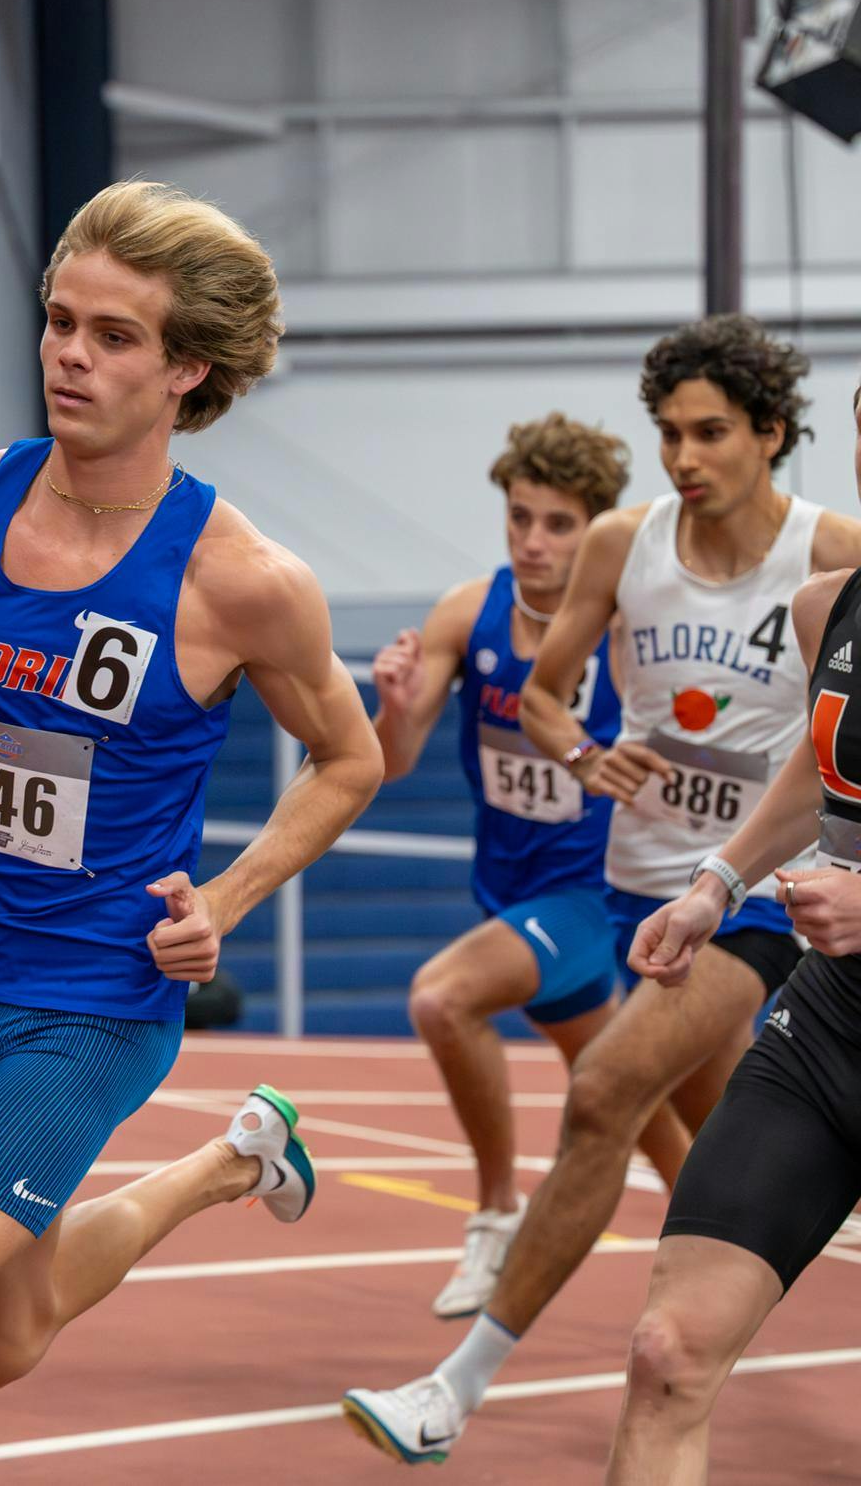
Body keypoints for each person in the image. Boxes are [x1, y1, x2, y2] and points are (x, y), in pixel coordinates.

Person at [0, 179, 383, 1485]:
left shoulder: (240, 582)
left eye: (113, 336)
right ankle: (231, 1163)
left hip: (91, 1004)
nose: (69, 357)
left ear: (185, 369)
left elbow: (348, 756)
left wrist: (230, 896)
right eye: (60, 322)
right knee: (1, 1337)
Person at [344, 314, 861, 1465]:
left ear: (771, 434)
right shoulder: (629, 544)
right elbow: (539, 695)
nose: (683, 456)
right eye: (668, 433)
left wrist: (754, 877)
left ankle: (452, 1386)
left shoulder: (826, 558)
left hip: (775, 909)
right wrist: (586, 759)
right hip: (641, 886)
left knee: (603, 1093)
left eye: (710, 432)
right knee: (709, 1147)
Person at [369, 413, 689, 1319]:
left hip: (596, 898)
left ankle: (496, 1213)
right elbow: (392, 760)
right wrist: (393, 706)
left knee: (443, 997)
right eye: (521, 518)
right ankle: (734, 1245)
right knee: (644, 1112)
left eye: (559, 524)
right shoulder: (468, 612)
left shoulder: (628, 630)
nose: (535, 541)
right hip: (510, 892)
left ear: (597, 529)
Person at [605, 383, 861, 1484]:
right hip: (832, 1025)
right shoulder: (828, 608)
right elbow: (816, 768)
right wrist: (715, 882)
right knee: (666, 1352)